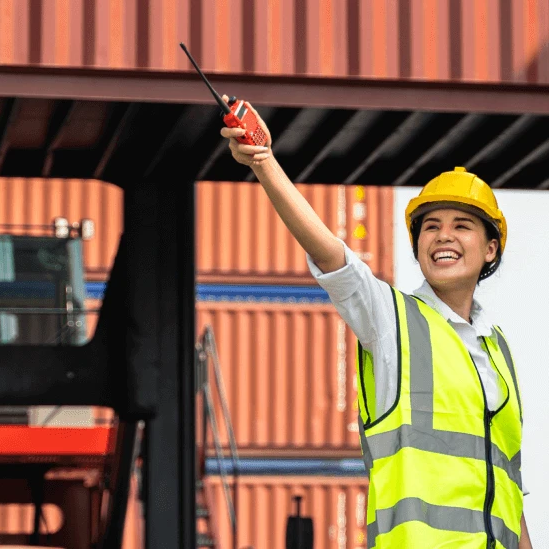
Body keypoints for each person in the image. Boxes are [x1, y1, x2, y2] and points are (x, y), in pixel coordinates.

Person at [220, 109, 532, 549]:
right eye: (430, 227)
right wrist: (264, 162)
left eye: (461, 226)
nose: (443, 236)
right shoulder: (391, 319)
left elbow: (509, 485)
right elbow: (332, 257)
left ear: (491, 249)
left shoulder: (498, 351)